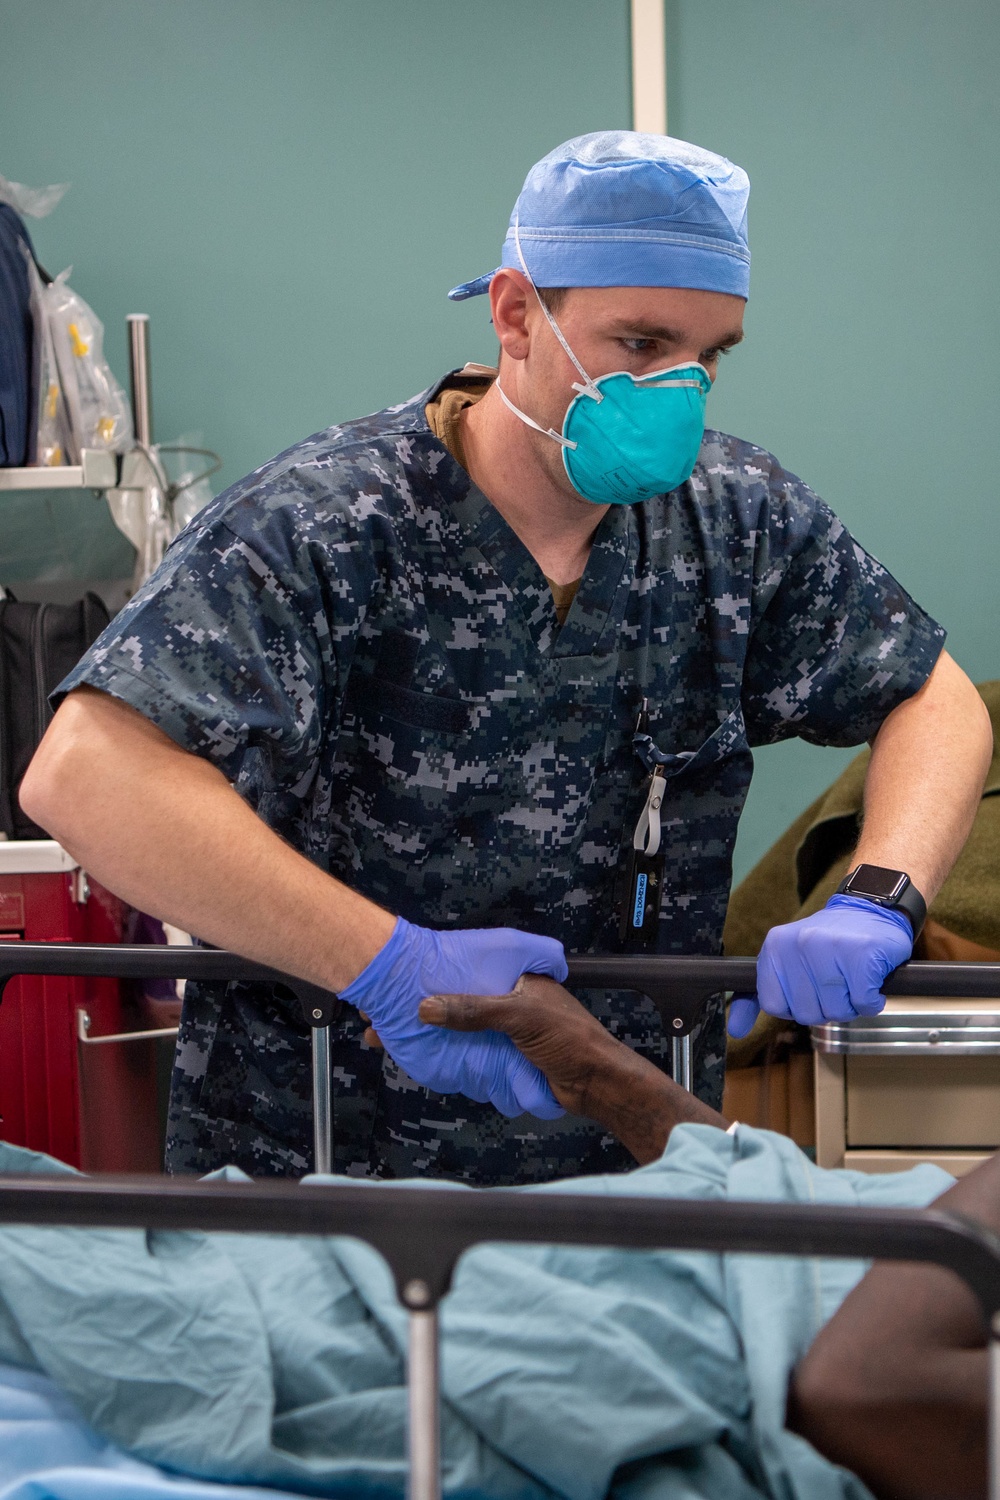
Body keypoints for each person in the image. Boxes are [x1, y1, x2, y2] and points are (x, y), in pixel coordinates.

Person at [19, 132, 991, 1184]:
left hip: (634, 1165)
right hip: (325, 1162)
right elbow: (87, 776)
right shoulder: (329, 524)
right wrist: (391, 966)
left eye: (711, 355)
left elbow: (932, 700)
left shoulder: (733, 522)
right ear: (516, 313)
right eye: (639, 343)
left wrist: (877, 893)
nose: (680, 391)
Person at [0, 974, 992, 1500]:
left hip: (576, 1319)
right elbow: (794, 1208)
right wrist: (605, 1075)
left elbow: (862, 1388)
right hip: (627, 1242)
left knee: (122, 1277)